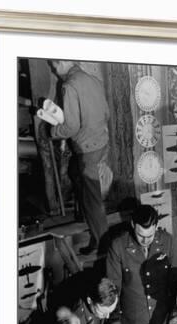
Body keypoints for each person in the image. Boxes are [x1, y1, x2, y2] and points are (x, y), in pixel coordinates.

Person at [47, 60, 111, 254]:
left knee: (92, 200)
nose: (55, 71)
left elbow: (71, 127)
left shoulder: (69, 85)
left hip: (87, 149)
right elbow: (106, 113)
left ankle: (104, 247)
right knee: (77, 175)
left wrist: (53, 131)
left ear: (65, 62)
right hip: (101, 142)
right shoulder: (93, 80)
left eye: (55, 66)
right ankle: (95, 233)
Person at [106, 204, 177, 324]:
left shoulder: (168, 241)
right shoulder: (118, 246)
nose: (145, 241)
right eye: (140, 235)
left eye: (150, 235)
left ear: (156, 225)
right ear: (132, 224)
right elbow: (111, 292)